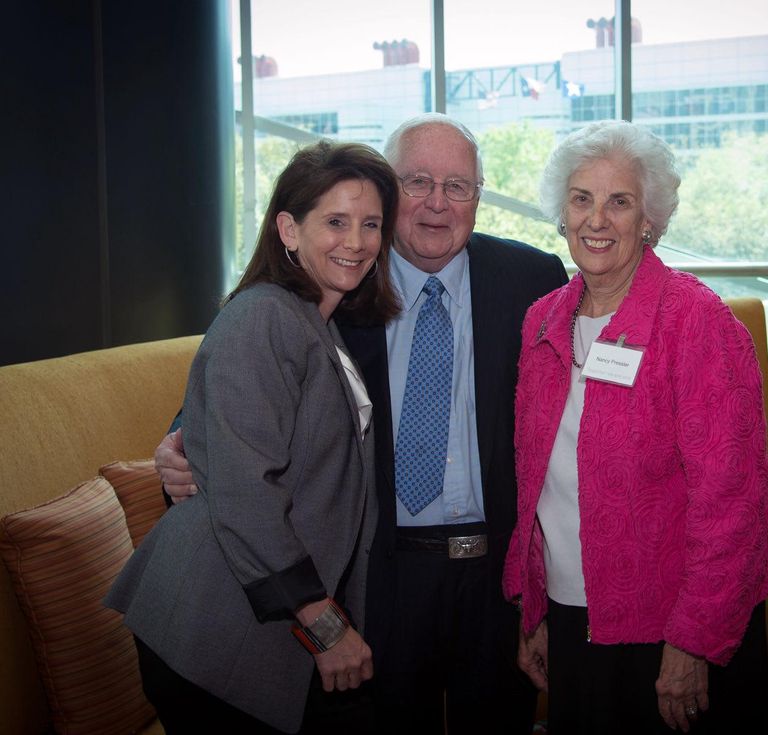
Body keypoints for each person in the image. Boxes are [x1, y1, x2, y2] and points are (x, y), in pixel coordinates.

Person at [154, 114, 569, 734]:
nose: (436, 203)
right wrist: (178, 444)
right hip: (380, 577)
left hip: (495, 581)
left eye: (458, 186)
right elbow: (236, 381)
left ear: (479, 197)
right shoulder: (339, 281)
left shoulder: (533, 280)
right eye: (417, 182)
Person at [106, 140, 402, 734]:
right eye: (336, 222)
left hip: (262, 623)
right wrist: (326, 625)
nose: (356, 241)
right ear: (288, 230)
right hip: (213, 627)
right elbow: (247, 491)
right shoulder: (263, 316)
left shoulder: (316, 321)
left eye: (370, 224)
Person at [502, 120, 768, 734]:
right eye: (582, 199)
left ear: (649, 218)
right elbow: (537, 485)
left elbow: (733, 503)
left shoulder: (696, 321)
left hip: (670, 628)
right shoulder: (542, 320)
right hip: (573, 617)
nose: (597, 219)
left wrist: (695, 640)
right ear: (561, 211)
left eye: (619, 202)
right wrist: (536, 610)